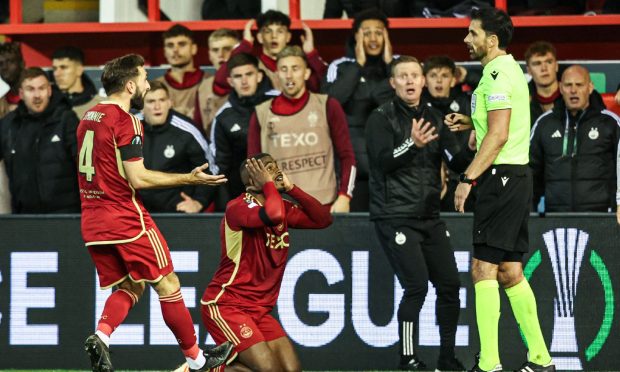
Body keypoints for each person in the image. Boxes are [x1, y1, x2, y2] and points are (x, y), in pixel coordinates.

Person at [77, 53, 233, 372]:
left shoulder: (88, 117)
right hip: (126, 218)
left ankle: (101, 336)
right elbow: (139, 177)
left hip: (92, 221)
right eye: (145, 78)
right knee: (169, 284)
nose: (148, 84)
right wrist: (187, 178)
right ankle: (197, 359)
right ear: (131, 85)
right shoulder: (127, 121)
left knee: (131, 286)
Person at [445, 8, 555, 372]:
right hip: (511, 177)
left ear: (491, 40)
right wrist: (469, 121)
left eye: (472, 33)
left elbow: (499, 135)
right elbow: (493, 126)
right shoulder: (501, 71)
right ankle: (540, 360)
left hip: (502, 178)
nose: (466, 39)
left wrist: (467, 178)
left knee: (481, 269)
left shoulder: (497, 74)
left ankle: (488, 364)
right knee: (508, 270)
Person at [366, 56, 473, 371]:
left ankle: (447, 357)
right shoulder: (380, 118)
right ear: (393, 83)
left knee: (450, 285)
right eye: (403, 76)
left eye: (415, 75)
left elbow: (455, 162)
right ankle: (408, 358)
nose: (410, 81)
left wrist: (470, 145)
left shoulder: (435, 117)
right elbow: (382, 161)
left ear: (423, 81)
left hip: (429, 215)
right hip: (394, 215)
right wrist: (411, 144)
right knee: (416, 286)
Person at [200, 153, 332, 371]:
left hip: (259, 309)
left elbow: (323, 219)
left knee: (291, 370)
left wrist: (291, 188)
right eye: (267, 168)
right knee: (268, 370)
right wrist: (270, 185)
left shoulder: (281, 205)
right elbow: (273, 215)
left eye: (275, 165)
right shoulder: (238, 207)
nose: (276, 171)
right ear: (253, 182)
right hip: (227, 304)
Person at [248, 46, 356, 212]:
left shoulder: (327, 106)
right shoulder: (261, 113)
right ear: (277, 75)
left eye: (295, 68)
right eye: (284, 69)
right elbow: (253, 168)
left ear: (306, 73)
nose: (289, 75)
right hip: (281, 210)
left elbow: (347, 156)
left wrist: (344, 196)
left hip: (324, 206)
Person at [322, 8, 395, 211]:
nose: (373, 38)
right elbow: (331, 102)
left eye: (379, 32)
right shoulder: (340, 66)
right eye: (367, 32)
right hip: (353, 168)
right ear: (356, 36)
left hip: (390, 166)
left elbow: (403, 102)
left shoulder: (398, 66)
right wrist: (359, 65)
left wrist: (390, 66)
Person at [530, 65, 620, 212]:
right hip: (555, 218)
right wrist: (529, 213)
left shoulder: (610, 123)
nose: (573, 90)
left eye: (579, 85)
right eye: (568, 85)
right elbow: (530, 173)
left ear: (590, 87)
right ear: (560, 88)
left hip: (601, 218)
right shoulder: (544, 123)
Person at [0, 67, 81, 213]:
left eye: (42, 88)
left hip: (66, 214)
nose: (37, 95)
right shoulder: (9, 125)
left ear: (49, 90)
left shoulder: (66, 119)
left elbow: (85, 163)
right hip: (24, 217)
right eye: (30, 89)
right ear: (21, 94)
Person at [140, 80, 216, 213]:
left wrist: (199, 202)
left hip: (176, 212)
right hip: (138, 212)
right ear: (141, 106)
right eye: (151, 101)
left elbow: (211, 169)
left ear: (170, 103)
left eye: (162, 100)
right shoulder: (129, 127)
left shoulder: (187, 130)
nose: (157, 106)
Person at [211, 52, 277, 203]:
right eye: (238, 76)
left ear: (259, 76)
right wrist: (228, 206)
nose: (244, 81)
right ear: (230, 81)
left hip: (285, 188)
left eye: (249, 74)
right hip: (246, 197)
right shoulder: (223, 117)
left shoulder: (279, 102)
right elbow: (220, 168)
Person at [213, 10, 327, 94]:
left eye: (280, 31)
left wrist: (311, 54)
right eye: (268, 31)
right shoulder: (252, 66)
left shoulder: (299, 66)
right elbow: (220, 82)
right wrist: (244, 46)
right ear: (260, 37)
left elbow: (327, 87)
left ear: (288, 37)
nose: (274, 36)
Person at [421, 54, 474, 212]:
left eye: (444, 76)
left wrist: (468, 76)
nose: (438, 81)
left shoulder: (466, 103)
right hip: (426, 183)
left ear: (453, 80)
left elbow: (494, 90)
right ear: (424, 80)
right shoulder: (418, 106)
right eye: (433, 76)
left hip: (463, 178)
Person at [157, 24, 208, 125]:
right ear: (165, 51)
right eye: (170, 45)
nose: (175, 50)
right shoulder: (153, 87)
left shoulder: (211, 83)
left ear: (193, 48)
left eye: (182, 44)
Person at [194, 28, 240, 135]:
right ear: (210, 55)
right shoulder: (202, 87)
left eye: (227, 49)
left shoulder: (248, 83)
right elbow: (198, 129)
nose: (221, 54)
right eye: (215, 50)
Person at [51, 46, 104, 119]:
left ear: (79, 70)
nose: (57, 74)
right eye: (54, 69)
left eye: (63, 67)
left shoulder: (103, 107)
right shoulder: (47, 107)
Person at [524, 41, 562, 126]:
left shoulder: (571, 96)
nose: (544, 68)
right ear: (529, 70)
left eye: (548, 62)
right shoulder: (521, 100)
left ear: (556, 66)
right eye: (537, 63)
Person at [0, 42, 24, 117]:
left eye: (9, 61)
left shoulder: (35, 93)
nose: (4, 67)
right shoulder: (2, 97)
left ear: (22, 64)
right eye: (0, 64)